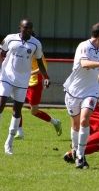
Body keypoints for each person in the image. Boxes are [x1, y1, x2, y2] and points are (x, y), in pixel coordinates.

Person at [63, 22, 99, 169]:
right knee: (75, 125)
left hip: (91, 92)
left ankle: (80, 157)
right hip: (74, 91)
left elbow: (97, 71)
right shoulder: (84, 46)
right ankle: (76, 152)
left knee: (84, 120)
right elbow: (85, 64)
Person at [0, 18, 50, 155]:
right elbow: (1, 52)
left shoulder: (36, 44)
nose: (27, 30)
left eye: (30, 28)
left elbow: (40, 62)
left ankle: (9, 143)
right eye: (25, 28)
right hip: (6, 77)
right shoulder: (10, 38)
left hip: (23, 81)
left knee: (17, 111)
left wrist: (46, 77)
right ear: (20, 28)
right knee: (1, 103)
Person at [14, 54, 62, 139]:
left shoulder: (37, 51)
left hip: (34, 84)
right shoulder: (21, 50)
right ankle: (19, 132)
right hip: (23, 82)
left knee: (34, 111)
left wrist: (29, 73)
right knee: (17, 107)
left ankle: (55, 122)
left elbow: (43, 68)